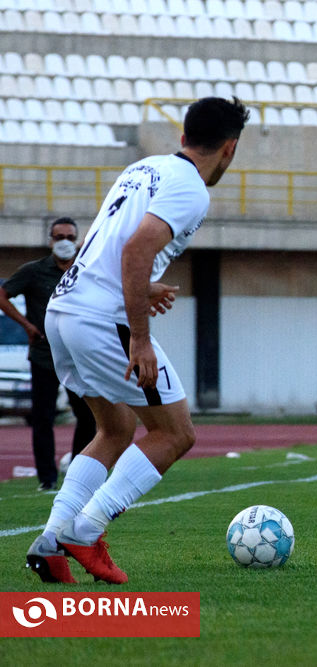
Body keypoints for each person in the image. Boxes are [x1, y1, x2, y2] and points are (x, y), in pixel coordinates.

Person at [25, 96, 249, 584]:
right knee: (175, 434)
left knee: (115, 428)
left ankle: (52, 539)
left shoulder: (142, 168)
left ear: (184, 135)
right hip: (101, 319)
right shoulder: (191, 188)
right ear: (229, 148)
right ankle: (86, 530)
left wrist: (143, 287)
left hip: (65, 310)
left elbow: (106, 248)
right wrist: (140, 340)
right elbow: (134, 250)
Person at [0, 218, 97, 491]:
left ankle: (78, 471)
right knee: (43, 418)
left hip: (78, 356)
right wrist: (26, 325)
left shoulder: (86, 269)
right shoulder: (34, 271)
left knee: (88, 415)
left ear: (77, 240)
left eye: (70, 237)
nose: (65, 242)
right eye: (59, 237)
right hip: (44, 354)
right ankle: (47, 478)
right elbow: (2, 295)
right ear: (50, 240)